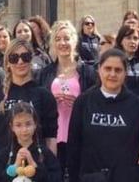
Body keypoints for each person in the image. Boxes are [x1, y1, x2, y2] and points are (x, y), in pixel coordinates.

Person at [0, 40, 59, 182]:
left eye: (25, 57)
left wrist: (49, 169)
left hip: (36, 171)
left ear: (31, 59)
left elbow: (50, 136)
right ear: (8, 62)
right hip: (1, 170)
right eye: (14, 58)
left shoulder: (44, 95)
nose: (20, 62)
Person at [67, 49, 139, 182]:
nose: (112, 74)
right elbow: (73, 146)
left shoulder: (138, 106)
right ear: (99, 70)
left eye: (118, 70)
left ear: (125, 73)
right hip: (89, 178)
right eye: (108, 69)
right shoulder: (83, 102)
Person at [36, 20, 97, 176]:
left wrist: (79, 104)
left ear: (74, 41)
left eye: (66, 38)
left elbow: (96, 103)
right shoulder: (45, 73)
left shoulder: (88, 72)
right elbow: (38, 104)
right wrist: (51, 102)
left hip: (79, 136)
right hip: (52, 138)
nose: (62, 43)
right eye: (58, 39)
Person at [0, 102, 62, 182]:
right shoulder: (3, 155)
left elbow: (56, 179)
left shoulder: (46, 154)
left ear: (35, 124)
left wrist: (33, 165)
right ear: (12, 127)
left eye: (28, 124)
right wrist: (15, 166)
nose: (24, 129)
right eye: (18, 125)